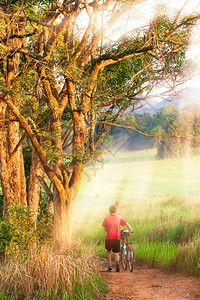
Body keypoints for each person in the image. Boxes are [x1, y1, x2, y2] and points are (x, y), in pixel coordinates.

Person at [102, 204, 133, 272]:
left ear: (109, 211)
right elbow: (126, 224)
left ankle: (110, 266)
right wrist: (131, 230)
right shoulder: (119, 217)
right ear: (115, 211)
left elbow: (104, 228)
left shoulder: (106, 218)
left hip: (109, 238)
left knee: (108, 252)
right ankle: (117, 263)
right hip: (117, 237)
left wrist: (108, 230)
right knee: (116, 253)